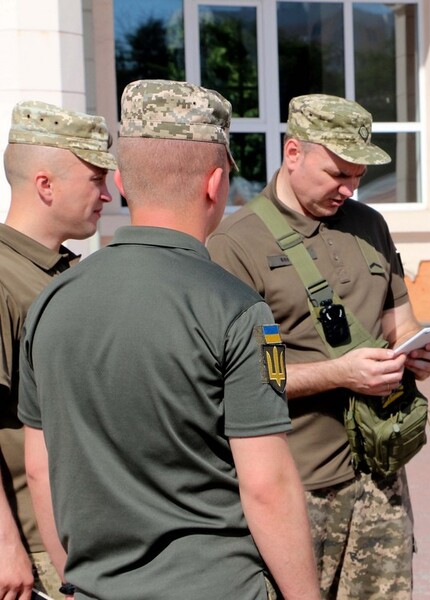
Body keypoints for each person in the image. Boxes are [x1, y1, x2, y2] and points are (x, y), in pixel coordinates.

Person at [17, 80, 320, 600]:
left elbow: (41, 468)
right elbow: (267, 487)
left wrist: (77, 581)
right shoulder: (238, 309)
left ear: (124, 183)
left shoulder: (51, 302)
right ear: (216, 183)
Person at [207, 93, 430, 599]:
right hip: (296, 485)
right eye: (337, 172)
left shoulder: (370, 225)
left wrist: (414, 351)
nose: (349, 187)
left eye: (357, 175)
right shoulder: (236, 243)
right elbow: (242, 379)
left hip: (379, 472)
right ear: (293, 153)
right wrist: (340, 373)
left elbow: (399, 320)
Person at [0, 100, 116, 600]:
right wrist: (5, 545)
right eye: (95, 180)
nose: (108, 195)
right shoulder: (3, 280)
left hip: (88, 533)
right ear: (45, 185)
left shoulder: (66, 271)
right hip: (39, 545)